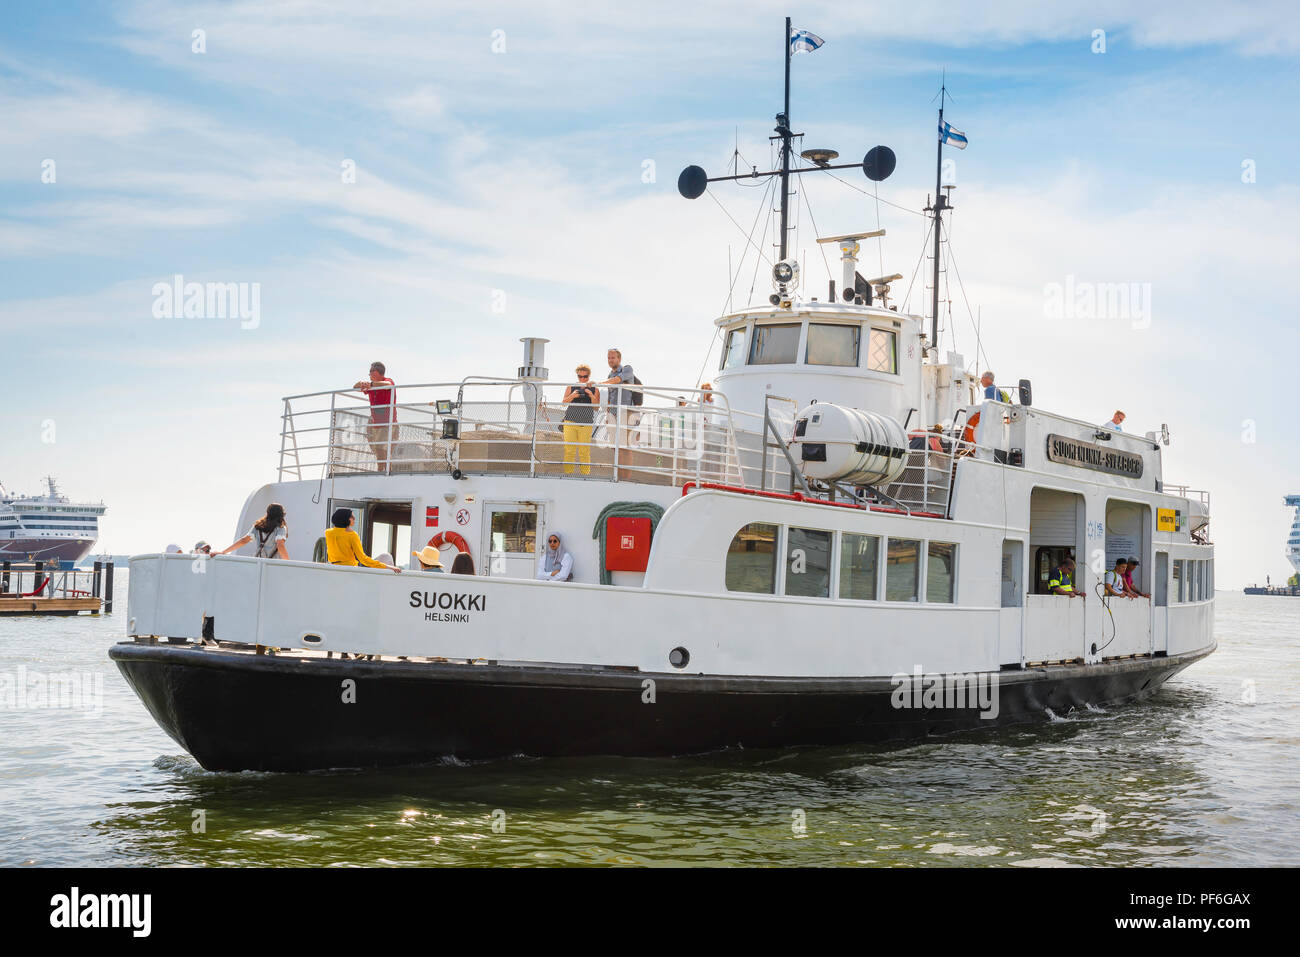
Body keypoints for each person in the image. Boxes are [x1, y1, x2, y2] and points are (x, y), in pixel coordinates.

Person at [325, 507, 401, 572]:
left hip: (333, 568)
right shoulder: (352, 535)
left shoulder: (328, 533)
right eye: (351, 516)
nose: (354, 518)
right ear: (345, 519)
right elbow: (363, 559)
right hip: (350, 570)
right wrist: (388, 567)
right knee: (387, 556)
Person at [354, 361, 396, 470]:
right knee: (379, 452)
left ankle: (384, 473)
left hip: (388, 424)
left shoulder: (387, 381)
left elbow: (389, 386)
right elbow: (355, 387)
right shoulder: (371, 385)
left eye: (371, 371)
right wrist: (362, 384)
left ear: (377, 372)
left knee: (383, 451)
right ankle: (382, 472)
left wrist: (371, 385)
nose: (369, 374)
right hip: (376, 425)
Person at [561, 364, 599, 475]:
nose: (582, 379)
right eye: (580, 376)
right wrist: (572, 395)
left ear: (589, 376)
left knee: (584, 451)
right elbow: (564, 403)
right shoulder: (570, 387)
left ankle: (585, 476)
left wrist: (591, 395)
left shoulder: (595, 389)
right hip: (570, 422)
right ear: (577, 376)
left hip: (586, 423)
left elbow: (596, 408)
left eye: (585, 376)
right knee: (569, 450)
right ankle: (568, 474)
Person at [219, 503, 289, 560]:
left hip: (257, 562)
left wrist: (223, 552)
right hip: (273, 565)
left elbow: (244, 540)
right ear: (281, 515)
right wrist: (289, 564)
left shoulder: (258, 526)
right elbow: (280, 546)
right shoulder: (281, 528)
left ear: (267, 513)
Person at [599, 348, 637, 447]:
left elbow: (617, 379)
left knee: (624, 445)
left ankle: (622, 463)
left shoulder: (627, 369)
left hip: (625, 412)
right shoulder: (610, 375)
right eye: (608, 358)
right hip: (613, 413)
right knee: (613, 444)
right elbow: (609, 397)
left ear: (619, 359)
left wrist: (600, 383)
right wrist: (607, 415)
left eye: (613, 358)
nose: (610, 360)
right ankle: (616, 463)